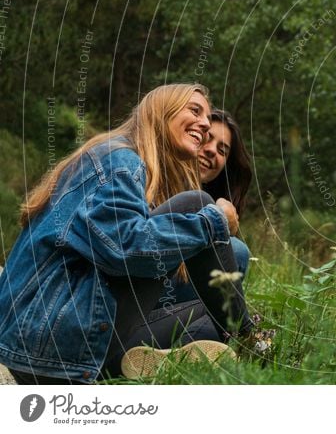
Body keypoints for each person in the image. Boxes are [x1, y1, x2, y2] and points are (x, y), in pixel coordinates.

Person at [0, 84, 252, 384]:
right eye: (194, 111)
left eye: (207, 119)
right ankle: (250, 339)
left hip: (52, 338)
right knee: (197, 207)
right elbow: (126, 247)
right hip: (46, 343)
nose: (204, 124)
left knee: (213, 319)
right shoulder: (121, 159)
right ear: (161, 110)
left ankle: (138, 362)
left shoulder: (127, 160)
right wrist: (213, 220)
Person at [163, 109, 254, 307]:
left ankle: (234, 330)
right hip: (134, 296)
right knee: (236, 251)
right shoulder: (150, 174)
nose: (212, 150)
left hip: (171, 314)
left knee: (233, 251)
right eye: (206, 137)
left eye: (223, 151)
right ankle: (245, 333)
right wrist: (217, 219)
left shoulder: (213, 201)